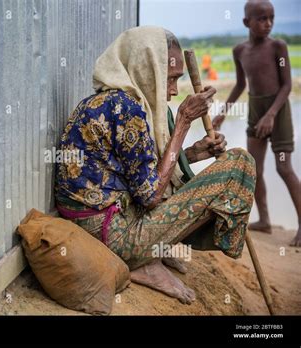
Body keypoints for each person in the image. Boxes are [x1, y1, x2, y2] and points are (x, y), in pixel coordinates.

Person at [54, 26, 256, 304]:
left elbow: (140, 172)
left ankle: (152, 252)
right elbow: (149, 196)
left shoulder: (109, 101)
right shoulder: (127, 109)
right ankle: (141, 259)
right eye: (169, 79)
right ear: (147, 69)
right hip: (112, 235)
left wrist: (195, 153)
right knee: (239, 162)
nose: (173, 90)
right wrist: (184, 121)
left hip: (103, 220)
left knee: (184, 174)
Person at [212, 0, 301, 246]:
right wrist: (223, 111)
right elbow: (241, 84)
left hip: (277, 111)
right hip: (255, 109)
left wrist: (271, 115)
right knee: (254, 169)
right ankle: (264, 219)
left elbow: (287, 85)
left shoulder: (278, 47)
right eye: (262, 18)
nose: (268, 23)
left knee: (284, 168)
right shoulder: (239, 51)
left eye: (271, 17)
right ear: (246, 22)